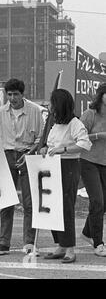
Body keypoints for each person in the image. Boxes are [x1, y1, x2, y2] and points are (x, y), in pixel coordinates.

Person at [0, 79, 44, 256]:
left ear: (22, 94)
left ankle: (29, 242)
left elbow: (40, 138)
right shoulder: (1, 112)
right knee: (6, 201)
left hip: (28, 155)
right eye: (9, 94)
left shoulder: (34, 111)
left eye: (15, 94)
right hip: (7, 155)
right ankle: (3, 243)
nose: (12, 98)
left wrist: (30, 152)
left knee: (29, 202)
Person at [41, 89, 91, 263]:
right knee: (53, 206)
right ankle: (60, 245)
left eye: (52, 102)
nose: (49, 106)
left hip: (68, 166)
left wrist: (63, 150)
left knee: (66, 207)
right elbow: (51, 144)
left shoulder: (75, 123)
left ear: (59, 104)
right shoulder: (55, 123)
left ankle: (70, 248)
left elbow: (84, 144)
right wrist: (45, 149)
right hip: (53, 166)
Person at [79, 83, 106, 257]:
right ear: (101, 96)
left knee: (104, 203)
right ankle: (99, 243)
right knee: (97, 201)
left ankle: (87, 233)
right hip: (88, 161)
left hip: (105, 163)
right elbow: (79, 137)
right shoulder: (89, 115)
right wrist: (98, 136)